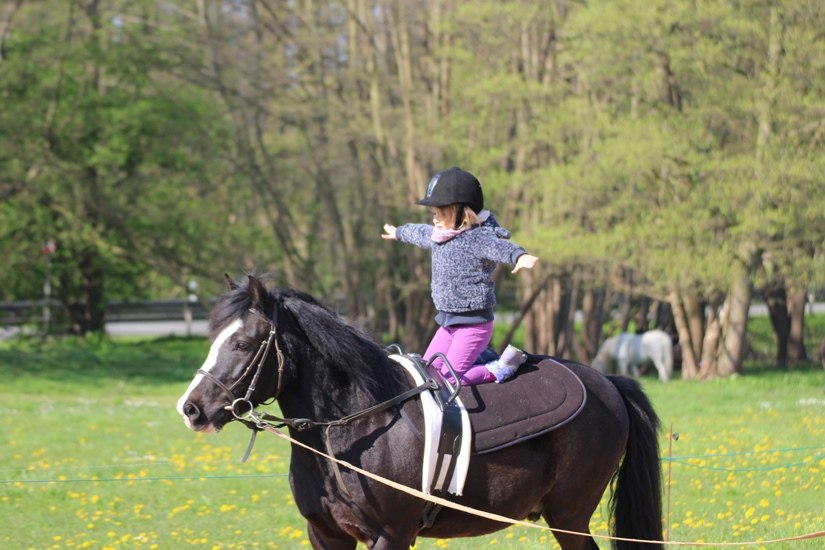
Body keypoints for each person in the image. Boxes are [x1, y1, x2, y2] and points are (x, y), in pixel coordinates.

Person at [382, 166, 539, 385]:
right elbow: (420, 233)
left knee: (448, 381)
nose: (435, 219)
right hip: (448, 324)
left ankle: (498, 369)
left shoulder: (479, 238)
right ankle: (478, 357)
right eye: (434, 214)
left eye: (440, 213)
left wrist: (519, 256)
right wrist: (399, 232)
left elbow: (500, 248)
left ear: (461, 213)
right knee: (425, 376)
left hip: (474, 326)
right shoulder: (440, 236)